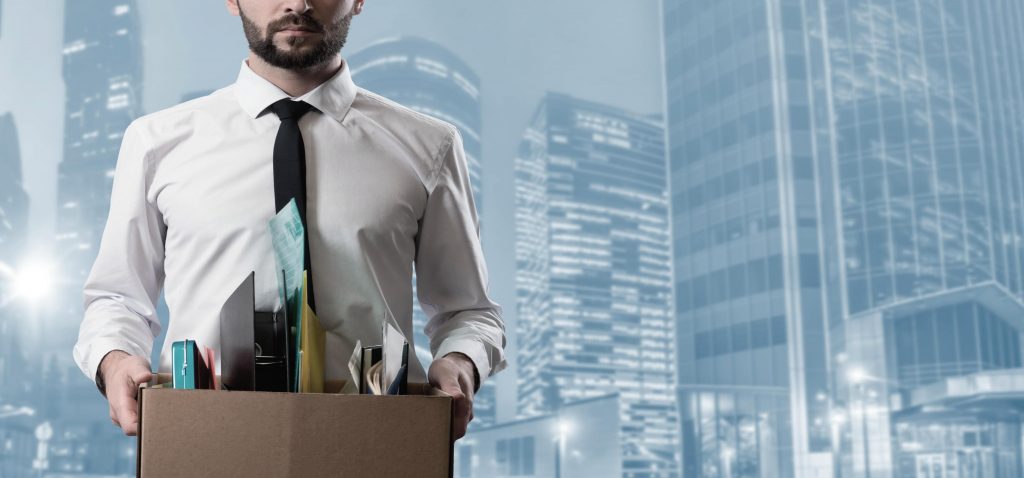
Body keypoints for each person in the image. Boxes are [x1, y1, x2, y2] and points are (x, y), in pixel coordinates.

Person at [72, 0, 506, 441]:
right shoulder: (157, 143)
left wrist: (459, 364)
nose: (298, 3)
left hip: (376, 440)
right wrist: (116, 359)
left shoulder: (428, 147)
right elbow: (118, 297)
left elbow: (468, 311)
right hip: (204, 437)